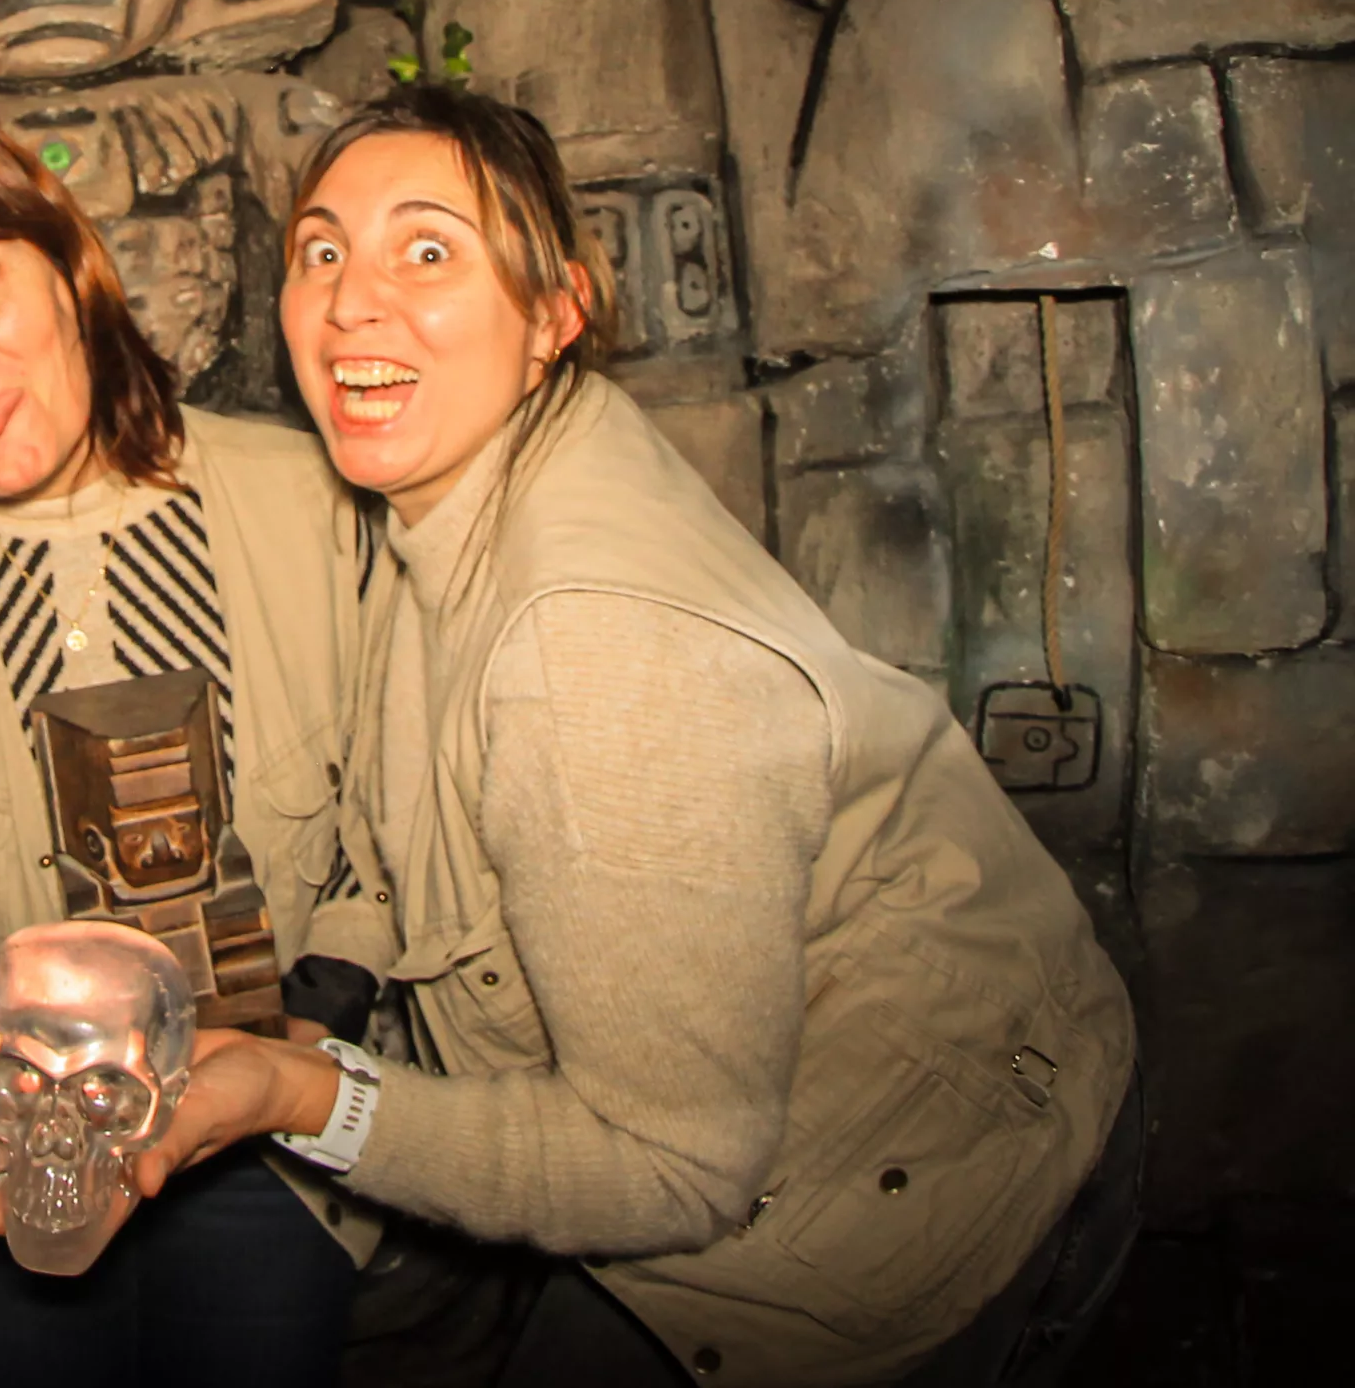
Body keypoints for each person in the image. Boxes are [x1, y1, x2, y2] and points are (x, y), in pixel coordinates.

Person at [127, 85, 1142, 1388]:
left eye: (427, 249)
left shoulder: (592, 653)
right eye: (322, 250)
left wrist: (302, 1096)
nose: (349, 302)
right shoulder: (466, 478)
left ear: (555, 312)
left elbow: (672, 1169)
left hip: (903, 1205)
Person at [0, 98, 396, 1388]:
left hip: (277, 1170)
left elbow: (392, 843)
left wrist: (296, 1034)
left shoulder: (308, 504)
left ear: (68, 268)